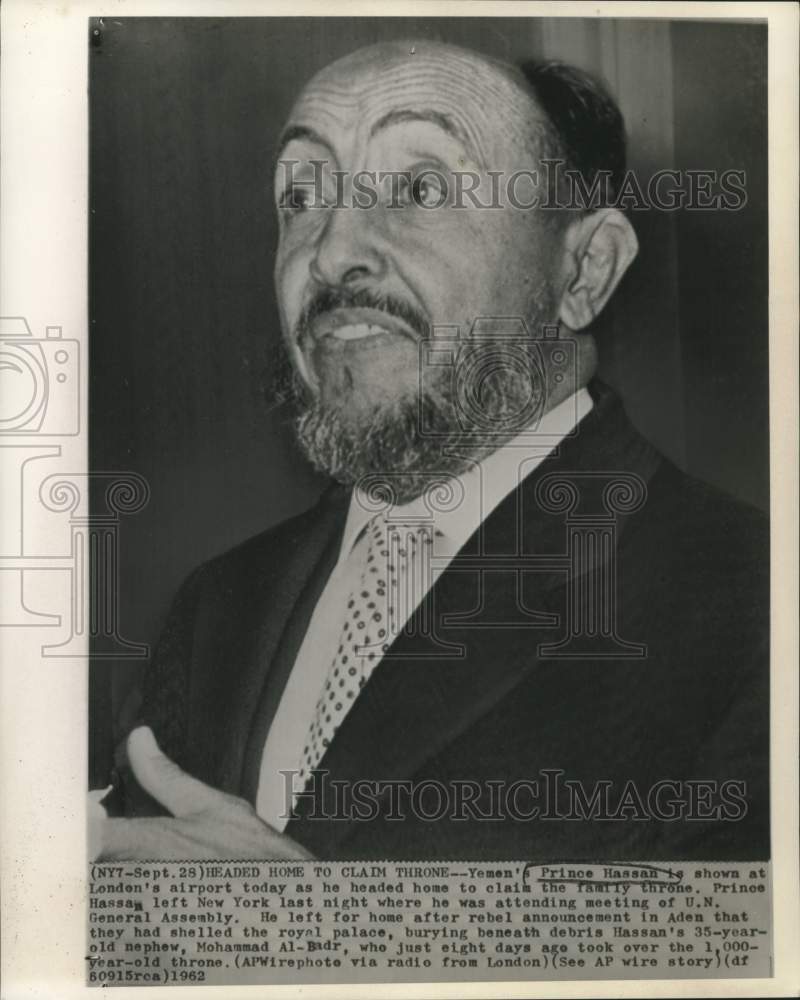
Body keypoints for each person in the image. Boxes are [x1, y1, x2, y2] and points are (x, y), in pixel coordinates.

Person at [94, 40, 769, 862]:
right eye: (301, 195)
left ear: (584, 270)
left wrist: (296, 935)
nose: (332, 251)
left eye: (419, 188)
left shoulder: (755, 606)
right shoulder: (213, 609)